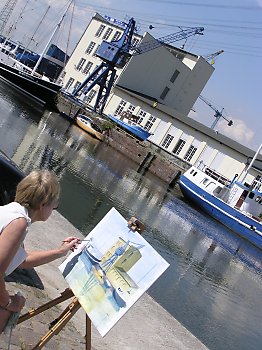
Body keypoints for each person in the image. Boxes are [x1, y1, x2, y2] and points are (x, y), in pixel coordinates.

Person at [0, 169, 80, 334]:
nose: (54, 208)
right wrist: (8, 302)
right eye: (54, 204)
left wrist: (60, 251)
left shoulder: (12, 211)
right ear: (43, 204)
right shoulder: (18, 223)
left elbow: (22, 260)